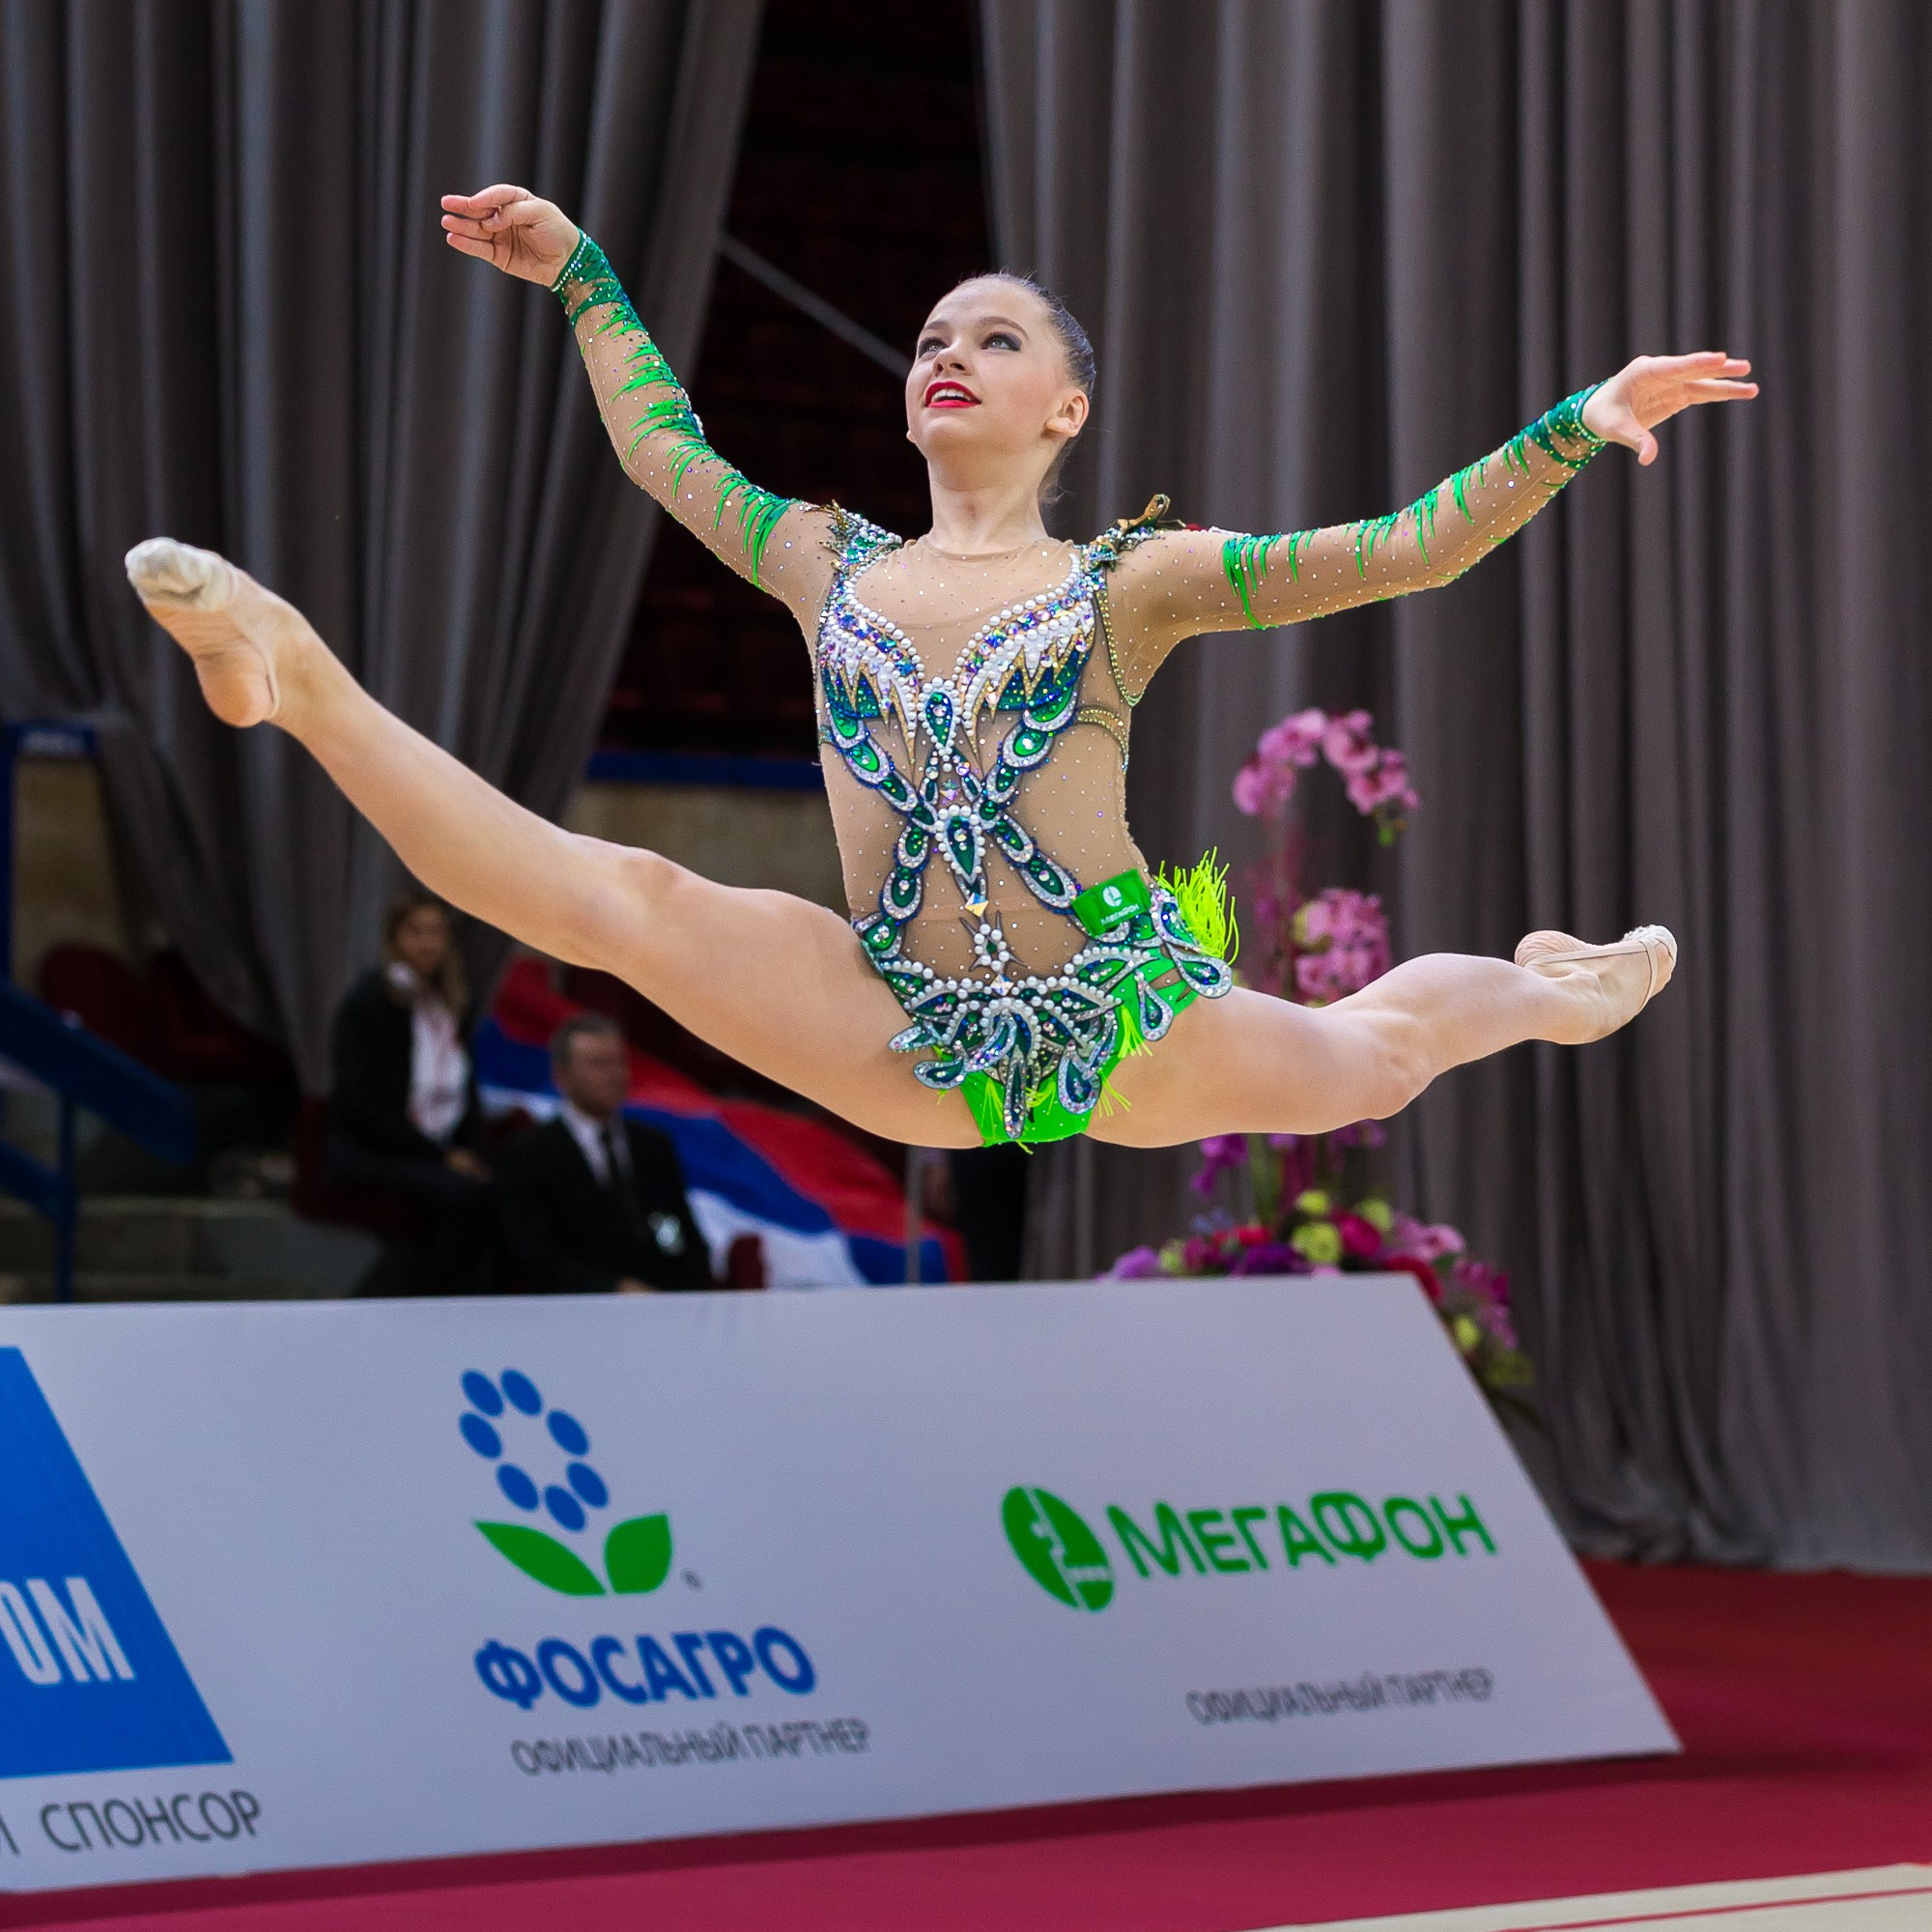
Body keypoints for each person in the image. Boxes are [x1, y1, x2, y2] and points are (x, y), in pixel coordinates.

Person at [125, 184, 1755, 1158]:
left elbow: (1400, 550)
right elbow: (662, 451)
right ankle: (296, 677)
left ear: (1066, 411)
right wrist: (582, 276)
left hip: (1129, 1021)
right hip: (898, 1026)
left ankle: (1553, 993)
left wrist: (1574, 427)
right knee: (625, 901)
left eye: (994, 338)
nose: (947, 355)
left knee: (1377, 1056)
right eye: (928, 342)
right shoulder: (824, 563)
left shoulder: (1132, 582)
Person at [324, 892, 496, 1291]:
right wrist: (443, 1157)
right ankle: (437, 1301)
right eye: (416, 932)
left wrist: (477, 1154)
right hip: (374, 1150)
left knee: (502, 1188)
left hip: (436, 1150)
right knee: (460, 1195)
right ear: (394, 938)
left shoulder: (450, 1005)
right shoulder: (369, 1004)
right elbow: (362, 1107)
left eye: (436, 932)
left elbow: (465, 1095)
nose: (427, 943)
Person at [497, 1014, 712, 1295]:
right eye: (598, 1064)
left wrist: (679, 1285)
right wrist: (612, 1287)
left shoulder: (652, 1146)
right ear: (562, 1076)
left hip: (660, 1301)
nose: (615, 1074)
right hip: (577, 1306)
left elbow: (671, 1227)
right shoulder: (530, 1154)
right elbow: (533, 1253)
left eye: (619, 1062)